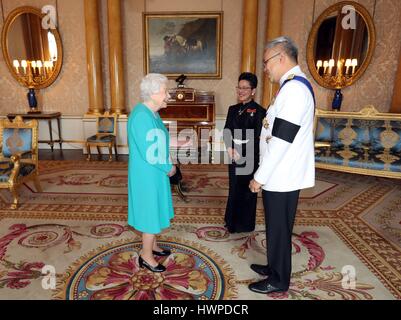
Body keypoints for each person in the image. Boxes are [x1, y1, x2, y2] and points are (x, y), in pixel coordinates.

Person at [248, 36, 316, 294]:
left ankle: (278, 279)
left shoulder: (295, 90)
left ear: (281, 57)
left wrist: (260, 176)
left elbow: (281, 140)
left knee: (278, 226)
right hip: (281, 171)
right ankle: (274, 265)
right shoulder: (290, 86)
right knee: (277, 225)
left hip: (282, 173)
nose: (265, 68)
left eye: (266, 62)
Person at [127, 73, 177, 273]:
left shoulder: (152, 113)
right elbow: (151, 152)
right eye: (165, 91)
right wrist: (169, 168)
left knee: (155, 208)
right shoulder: (141, 115)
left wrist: (167, 161)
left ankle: (153, 246)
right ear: (155, 93)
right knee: (149, 213)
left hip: (154, 173)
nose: (168, 95)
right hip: (146, 174)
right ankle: (146, 256)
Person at [223, 72, 265, 233]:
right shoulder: (232, 109)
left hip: (250, 156)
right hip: (234, 154)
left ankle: (244, 224)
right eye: (239, 87)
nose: (241, 91)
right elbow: (227, 130)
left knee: (246, 190)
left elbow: (258, 138)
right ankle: (231, 221)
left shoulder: (260, 111)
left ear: (253, 90)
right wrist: (229, 147)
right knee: (234, 187)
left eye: (245, 88)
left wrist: (243, 152)